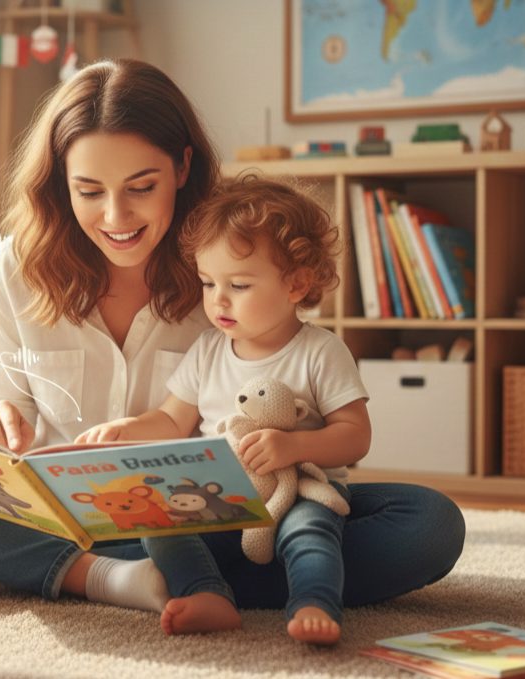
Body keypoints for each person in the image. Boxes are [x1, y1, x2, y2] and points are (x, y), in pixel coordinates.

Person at [0, 59, 465, 620]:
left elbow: (296, 391)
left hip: (211, 521)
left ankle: (2, 563)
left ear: (181, 166)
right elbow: (3, 395)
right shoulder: (18, 263)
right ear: (60, 182)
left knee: (426, 523)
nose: (115, 218)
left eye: (140, 188)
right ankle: (105, 577)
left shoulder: (230, 264)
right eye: (89, 190)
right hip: (56, 506)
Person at [75, 175, 367, 643]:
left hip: (299, 496)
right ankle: (206, 592)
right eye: (208, 283)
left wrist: (293, 447)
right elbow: (173, 419)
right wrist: (126, 429)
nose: (218, 300)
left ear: (297, 284)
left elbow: (355, 435)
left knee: (311, 534)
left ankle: (314, 603)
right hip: (219, 500)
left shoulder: (320, 351)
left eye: (239, 284)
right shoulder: (209, 349)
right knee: (160, 523)